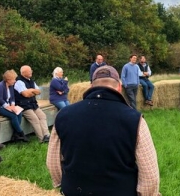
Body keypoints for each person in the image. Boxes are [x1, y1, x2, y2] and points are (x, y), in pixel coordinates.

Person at [47, 65, 161, 196]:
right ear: (119, 87)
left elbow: (52, 163)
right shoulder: (135, 120)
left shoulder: (63, 115)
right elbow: (150, 176)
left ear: (91, 86)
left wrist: (66, 184)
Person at [14, 65, 50, 143]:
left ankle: (47, 135)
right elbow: (25, 94)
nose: (31, 72)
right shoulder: (19, 82)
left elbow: (39, 91)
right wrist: (33, 91)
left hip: (33, 104)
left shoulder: (31, 81)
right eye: (29, 71)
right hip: (23, 106)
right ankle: (42, 139)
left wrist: (30, 90)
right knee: (35, 119)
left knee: (42, 116)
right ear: (23, 72)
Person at [0, 69, 29, 142]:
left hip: (7, 106)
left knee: (19, 113)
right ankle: (21, 133)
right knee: (13, 115)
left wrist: (13, 105)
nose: (15, 81)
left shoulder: (11, 86)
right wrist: (8, 107)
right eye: (14, 79)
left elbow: (12, 97)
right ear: (8, 80)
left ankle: (15, 135)